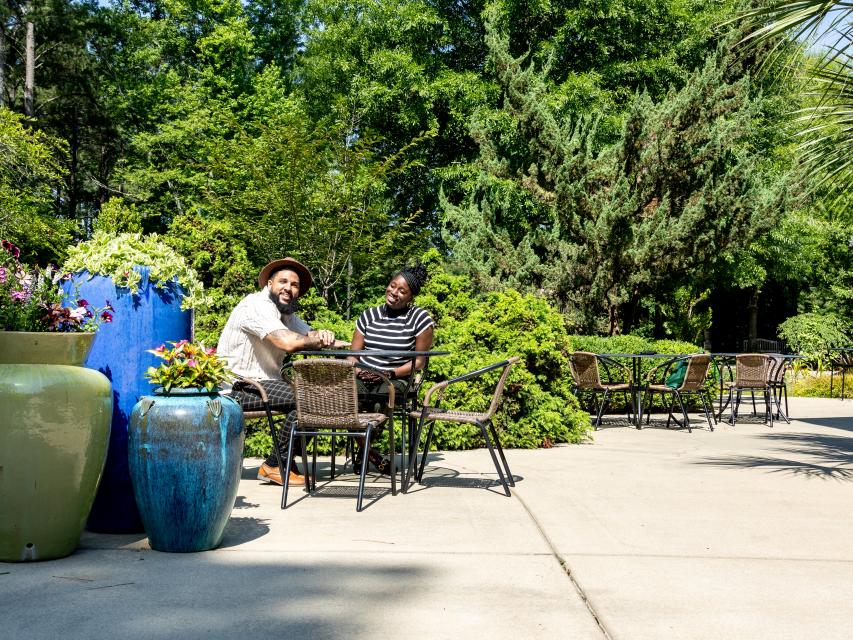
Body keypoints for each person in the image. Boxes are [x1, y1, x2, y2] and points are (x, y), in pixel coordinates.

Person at [217, 257, 348, 485]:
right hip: (237, 387)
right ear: (269, 284)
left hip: (265, 384)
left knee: (316, 398)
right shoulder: (255, 306)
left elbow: (309, 335)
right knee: (309, 399)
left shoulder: (285, 314)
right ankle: (276, 465)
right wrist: (315, 339)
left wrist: (347, 345)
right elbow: (288, 342)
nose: (288, 288)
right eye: (283, 282)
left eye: (294, 284)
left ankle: (285, 462)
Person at [348, 262, 435, 473]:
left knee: (383, 396)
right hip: (363, 374)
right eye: (392, 285)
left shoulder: (421, 320)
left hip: (396, 376)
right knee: (346, 397)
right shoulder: (369, 315)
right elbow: (353, 356)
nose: (394, 292)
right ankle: (372, 455)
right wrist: (360, 371)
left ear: (411, 297)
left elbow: (419, 362)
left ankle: (364, 452)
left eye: (402, 291)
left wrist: (388, 373)